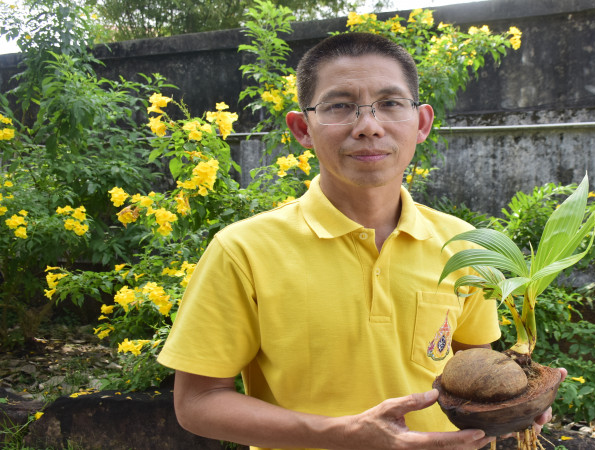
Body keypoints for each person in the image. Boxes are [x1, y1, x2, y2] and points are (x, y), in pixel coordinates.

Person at [157, 32, 565, 450]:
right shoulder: (243, 250)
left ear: (421, 122)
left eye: (389, 104)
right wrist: (345, 435)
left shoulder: (462, 244)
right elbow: (198, 402)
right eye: (340, 106)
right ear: (302, 128)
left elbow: (477, 372)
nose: (368, 126)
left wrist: (517, 401)